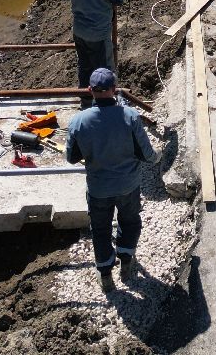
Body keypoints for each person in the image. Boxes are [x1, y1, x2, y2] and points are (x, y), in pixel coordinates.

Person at [65, 67, 157, 293]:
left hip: (98, 189)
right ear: (115, 90)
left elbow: (71, 157)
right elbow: (147, 155)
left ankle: (106, 275)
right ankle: (126, 262)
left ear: (90, 90)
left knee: (100, 229)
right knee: (130, 221)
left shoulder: (78, 121)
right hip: (128, 186)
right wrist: (159, 157)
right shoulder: (130, 117)